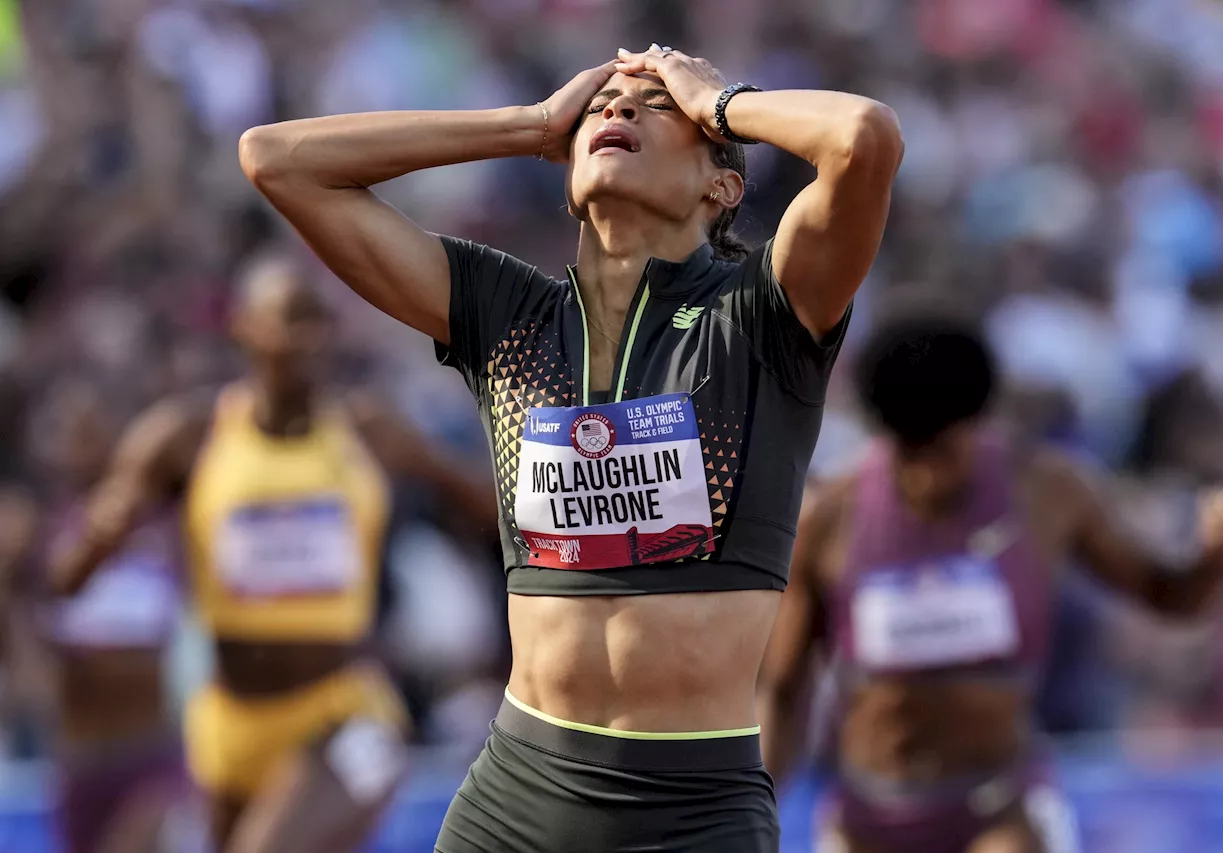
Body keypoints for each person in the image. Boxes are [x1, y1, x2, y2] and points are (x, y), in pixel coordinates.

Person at [238, 42, 902, 852]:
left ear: (721, 185)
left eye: (657, 109)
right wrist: (528, 124)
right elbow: (275, 160)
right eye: (600, 109)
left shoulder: (765, 311)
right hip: (517, 798)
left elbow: (864, 138)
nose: (616, 111)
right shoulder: (505, 314)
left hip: (696, 809)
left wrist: (719, 102)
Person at [757, 310, 1223, 853]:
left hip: (997, 807)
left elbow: (1166, 596)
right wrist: (756, 814)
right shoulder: (830, 519)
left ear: (978, 421)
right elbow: (783, 688)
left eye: (944, 451)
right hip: (870, 813)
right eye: (910, 455)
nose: (927, 475)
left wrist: (1212, 557)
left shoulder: (1048, 492)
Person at [49, 257, 497, 853]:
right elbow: (67, 577)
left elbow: (489, 511)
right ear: (245, 327)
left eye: (318, 322)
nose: (307, 339)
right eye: (290, 320)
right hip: (230, 725)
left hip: (347, 713)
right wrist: (100, 537)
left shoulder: (366, 430)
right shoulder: (188, 437)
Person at [8, 379, 192, 853]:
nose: (83, 438)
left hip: (152, 752)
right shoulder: (39, 532)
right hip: (80, 757)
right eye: (69, 428)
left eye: (93, 424)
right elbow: (23, 635)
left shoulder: (164, 526)